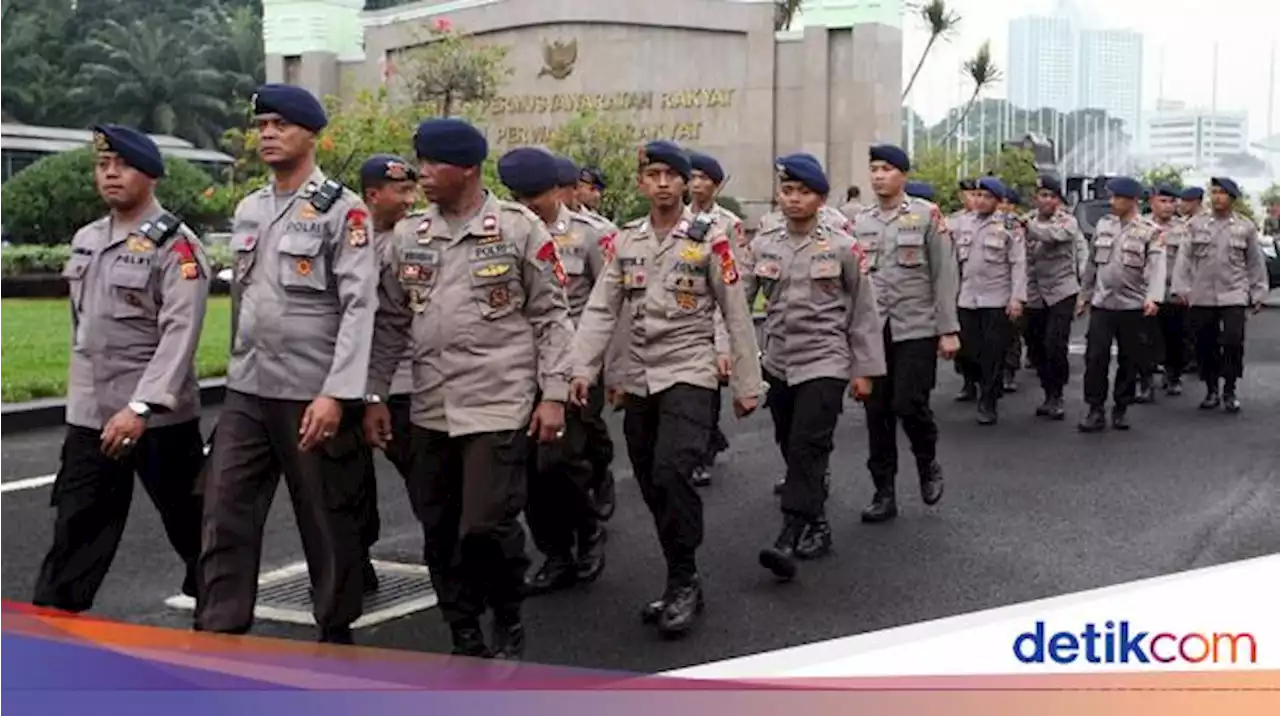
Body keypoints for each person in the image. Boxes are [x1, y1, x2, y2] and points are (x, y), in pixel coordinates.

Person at [365, 120, 572, 659]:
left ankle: (507, 612)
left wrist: (552, 394)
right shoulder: (410, 235)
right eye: (421, 163)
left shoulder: (519, 228)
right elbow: (389, 322)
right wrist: (375, 394)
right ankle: (463, 629)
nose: (423, 174)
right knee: (438, 527)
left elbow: (552, 316)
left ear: (469, 169)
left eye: (434, 164)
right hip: (430, 406)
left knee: (486, 523)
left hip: (498, 403)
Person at [196, 84, 378, 645]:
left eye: (280, 124)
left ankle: (335, 622)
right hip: (250, 387)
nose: (268, 134)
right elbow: (244, 300)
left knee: (325, 516)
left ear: (311, 134)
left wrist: (338, 393)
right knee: (223, 506)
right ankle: (220, 627)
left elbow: (359, 303)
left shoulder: (343, 210)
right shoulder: (251, 207)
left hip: (311, 387)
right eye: (263, 125)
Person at [567, 140, 762, 636]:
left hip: (690, 369)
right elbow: (601, 310)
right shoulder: (626, 241)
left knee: (674, 471)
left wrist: (745, 381)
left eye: (670, 175)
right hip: (638, 374)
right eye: (651, 174)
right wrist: (581, 371)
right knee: (653, 481)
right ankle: (680, 568)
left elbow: (736, 311)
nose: (661, 183)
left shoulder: (711, 238)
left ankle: (683, 579)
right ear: (640, 183)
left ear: (684, 183)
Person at [33, 124, 209, 614]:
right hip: (93, 416)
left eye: (123, 165)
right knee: (76, 525)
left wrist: (141, 406)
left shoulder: (177, 246)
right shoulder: (87, 239)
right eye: (102, 165)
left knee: (192, 524)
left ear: (150, 175)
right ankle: (53, 631)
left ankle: (216, 617)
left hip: (157, 419)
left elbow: (181, 334)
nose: (111, 174)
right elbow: (82, 326)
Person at [741, 153, 884, 580]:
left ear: (820, 198)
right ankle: (814, 508)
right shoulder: (764, 243)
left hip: (826, 359)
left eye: (803, 192)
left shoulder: (841, 245)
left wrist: (865, 370)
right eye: (787, 191)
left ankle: (794, 531)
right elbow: (739, 301)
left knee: (808, 443)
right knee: (789, 440)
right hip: (780, 359)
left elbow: (864, 309)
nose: (794, 199)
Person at [493, 147, 610, 597]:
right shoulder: (500, 229)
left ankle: (588, 531)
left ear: (558, 191)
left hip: (576, 364)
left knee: (562, 462)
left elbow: (607, 306)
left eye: (535, 197)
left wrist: (601, 368)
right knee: (530, 471)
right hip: (519, 366)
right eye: (519, 197)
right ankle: (556, 552)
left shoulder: (591, 236)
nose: (527, 207)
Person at [851, 145, 959, 523]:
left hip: (916, 327)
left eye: (887, 169)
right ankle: (884, 491)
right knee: (876, 412)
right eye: (874, 169)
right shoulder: (858, 221)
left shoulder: (926, 215)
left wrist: (948, 330)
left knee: (909, 403)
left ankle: (927, 462)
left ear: (903, 176)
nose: (879, 175)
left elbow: (945, 274)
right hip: (872, 330)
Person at [353, 154, 421, 592]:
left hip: (405, 379)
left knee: (425, 478)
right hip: (346, 381)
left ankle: (448, 556)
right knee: (347, 484)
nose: (411, 200)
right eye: (402, 191)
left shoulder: (416, 239)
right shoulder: (345, 239)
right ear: (374, 195)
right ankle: (355, 559)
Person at [1076, 177, 1165, 432]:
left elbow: (1156, 267)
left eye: (1117, 198)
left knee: (1130, 359)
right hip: (1103, 303)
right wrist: (1085, 295)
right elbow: (1092, 264)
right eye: (1112, 197)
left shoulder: (1150, 231)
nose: (1112, 202)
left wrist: (1153, 297)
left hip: (1133, 306)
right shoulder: (1104, 225)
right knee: (1095, 358)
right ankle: (1095, 409)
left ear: (1133, 201)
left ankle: (1121, 407)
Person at [1172, 177, 1268, 413]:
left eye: (1221, 193)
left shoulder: (1245, 227)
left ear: (1232, 198)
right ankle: (1211, 388)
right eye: (1213, 192)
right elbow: (1184, 258)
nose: (1216, 197)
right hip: (1202, 293)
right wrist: (1181, 287)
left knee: (1233, 341)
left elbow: (1255, 263)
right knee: (1205, 343)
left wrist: (1258, 292)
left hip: (1234, 292)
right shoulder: (1196, 224)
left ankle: (1230, 388)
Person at [688, 150, 742, 487]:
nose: (696, 184)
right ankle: (708, 437)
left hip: (717, 313)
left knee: (708, 388)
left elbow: (733, 278)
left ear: (716, 185)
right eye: (691, 177)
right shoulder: (677, 219)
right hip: (686, 313)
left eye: (703, 178)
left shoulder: (729, 224)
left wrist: (728, 335)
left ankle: (703, 451)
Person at [953, 177, 1026, 425]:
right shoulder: (961, 223)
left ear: (997, 201)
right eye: (977, 195)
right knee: (967, 350)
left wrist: (1017, 298)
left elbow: (1018, 263)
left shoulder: (1009, 225)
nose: (980, 200)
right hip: (967, 297)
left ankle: (988, 400)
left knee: (993, 354)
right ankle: (972, 381)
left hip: (996, 298)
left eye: (986, 196)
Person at [1023, 176, 1085, 420]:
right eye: (1043, 195)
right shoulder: (1024, 220)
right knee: (1035, 345)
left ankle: (1056, 394)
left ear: (1058, 200)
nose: (1047, 200)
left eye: (1052, 196)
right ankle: (1047, 387)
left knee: (1055, 344)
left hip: (1061, 289)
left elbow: (1052, 236)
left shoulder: (1067, 221)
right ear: (1035, 198)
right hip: (1033, 291)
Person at [1143, 184, 1188, 399]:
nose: (1168, 206)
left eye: (1172, 202)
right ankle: (1146, 380)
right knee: (1145, 338)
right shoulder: (1140, 225)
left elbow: (1189, 261)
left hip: (1172, 291)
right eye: (1163, 201)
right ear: (1152, 201)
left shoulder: (1183, 228)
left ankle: (1173, 375)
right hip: (1146, 291)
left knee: (1174, 337)